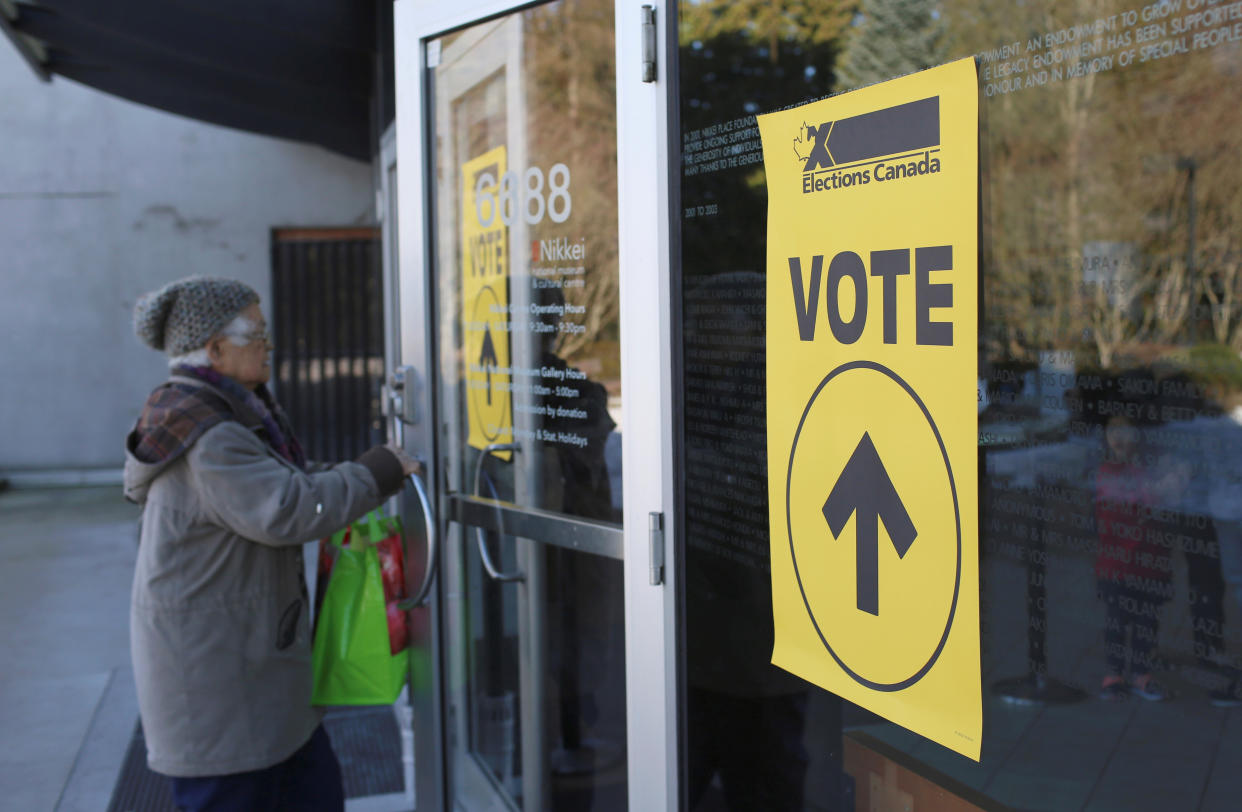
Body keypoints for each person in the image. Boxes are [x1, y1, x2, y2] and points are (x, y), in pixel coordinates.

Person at [123, 276, 419, 811]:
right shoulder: (211, 436)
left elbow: (286, 482)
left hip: (250, 671)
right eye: (257, 333)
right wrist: (379, 473)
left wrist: (354, 475)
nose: (269, 345)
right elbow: (288, 508)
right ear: (215, 349)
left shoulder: (219, 415)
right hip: (220, 684)